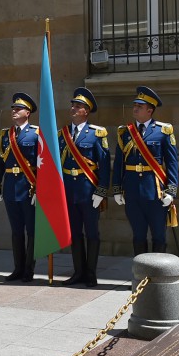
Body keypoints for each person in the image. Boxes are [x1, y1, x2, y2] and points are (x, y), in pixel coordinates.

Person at [112, 86, 179, 255]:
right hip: (132, 191)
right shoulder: (124, 132)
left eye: (140, 106)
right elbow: (119, 162)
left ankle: (158, 275)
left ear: (150, 110)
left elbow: (171, 163)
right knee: (138, 235)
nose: (135, 108)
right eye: (135, 105)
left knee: (159, 235)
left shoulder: (163, 131)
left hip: (155, 192)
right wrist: (117, 189)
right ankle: (141, 275)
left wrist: (171, 191)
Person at [58, 88, 110, 287]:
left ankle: (91, 273)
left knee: (92, 233)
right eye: (73, 105)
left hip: (89, 190)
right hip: (69, 191)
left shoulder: (97, 133)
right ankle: (78, 272)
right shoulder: (62, 134)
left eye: (78, 106)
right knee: (75, 233)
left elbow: (104, 165)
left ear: (86, 111)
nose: (73, 108)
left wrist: (101, 191)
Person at [0, 92, 39, 282]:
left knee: (32, 232)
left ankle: (29, 269)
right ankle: (18, 268)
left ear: (27, 113)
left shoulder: (36, 133)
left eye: (18, 109)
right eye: (13, 108)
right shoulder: (6, 134)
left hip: (29, 187)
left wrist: (39, 189)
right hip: (11, 186)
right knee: (16, 230)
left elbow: (43, 164)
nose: (14, 111)